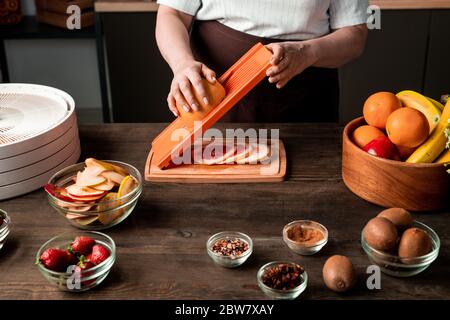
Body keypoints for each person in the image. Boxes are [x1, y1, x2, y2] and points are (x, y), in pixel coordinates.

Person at [156, 0, 368, 122]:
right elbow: (172, 13)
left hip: (306, 103)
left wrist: (307, 52)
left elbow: (354, 34)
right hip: (213, 97)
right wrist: (182, 63)